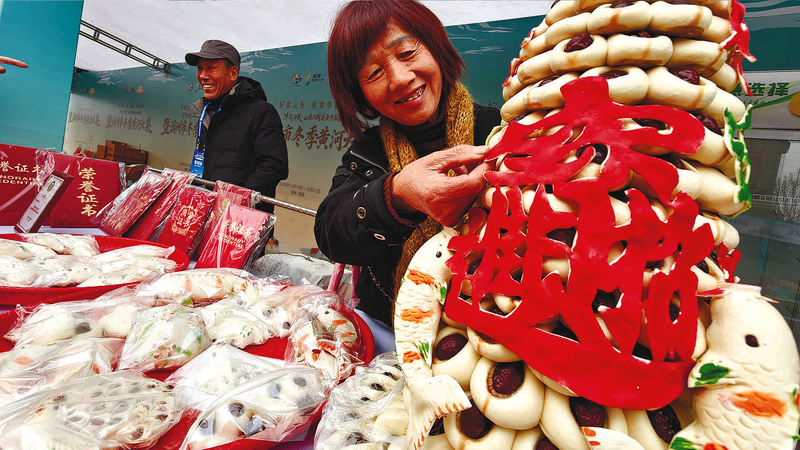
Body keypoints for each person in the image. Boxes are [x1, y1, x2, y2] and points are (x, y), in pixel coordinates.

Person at [314, 0, 501, 326]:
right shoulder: (366, 152)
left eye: (407, 53)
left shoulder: (499, 131)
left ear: (435, 48)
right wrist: (396, 195)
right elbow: (331, 234)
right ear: (360, 93)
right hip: (388, 326)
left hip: (489, 324)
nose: (400, 79)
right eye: (374, 72)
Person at [185, 40, 288, 213]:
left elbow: (274, 165)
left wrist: (237, 202)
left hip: (240, 218)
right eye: (200, 68)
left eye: (211, 68)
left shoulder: (261, 111)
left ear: (233, 73)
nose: (203, 75)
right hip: (208, 210)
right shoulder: (209, 111)